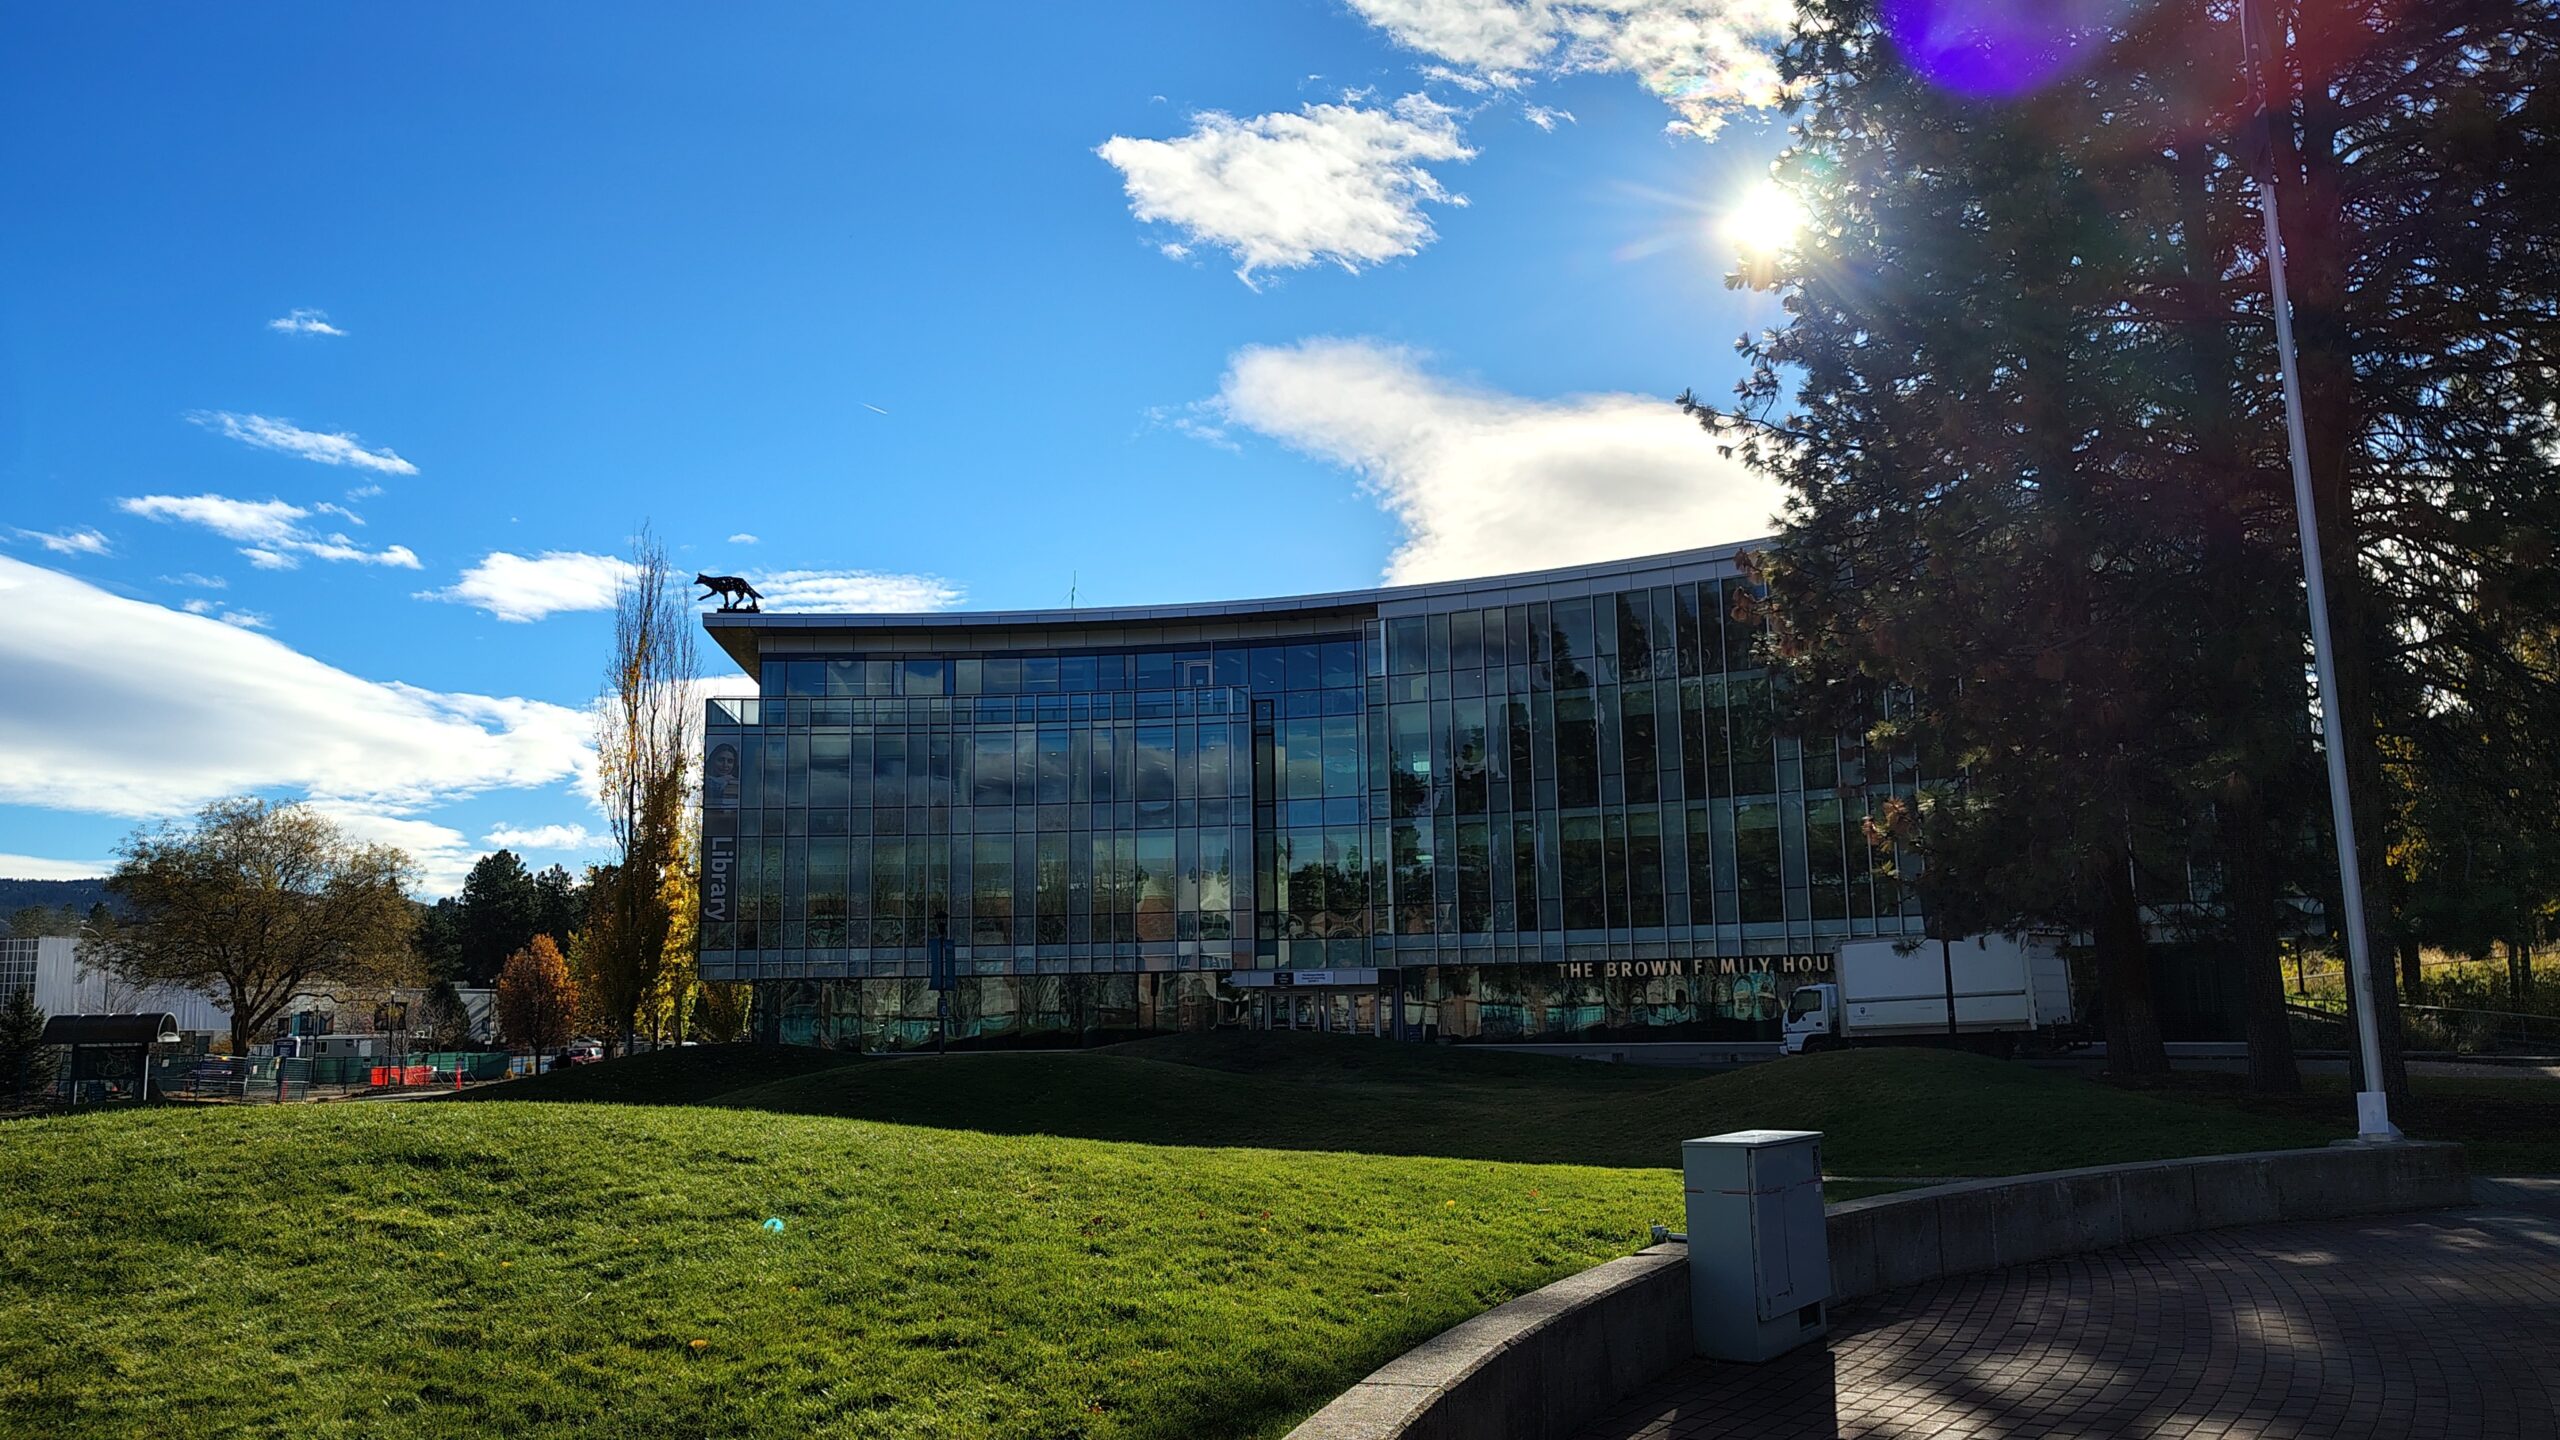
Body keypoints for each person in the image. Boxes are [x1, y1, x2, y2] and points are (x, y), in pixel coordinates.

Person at [704, 742, 741, 807]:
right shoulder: (702, 780)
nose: (725, 765)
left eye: (730, 761)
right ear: (712, 760)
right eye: (721, 760)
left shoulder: (738, 783)